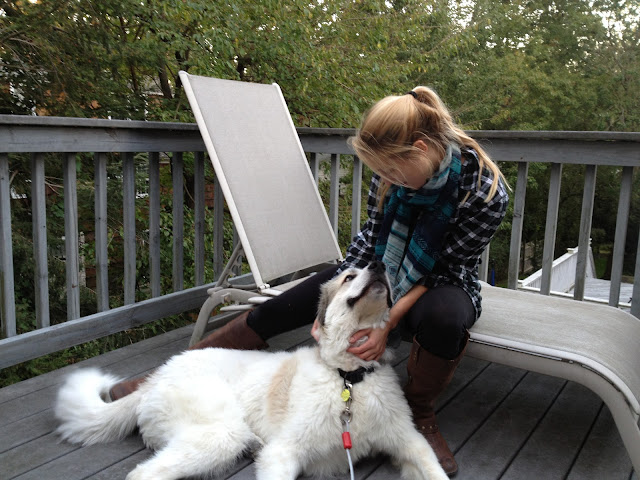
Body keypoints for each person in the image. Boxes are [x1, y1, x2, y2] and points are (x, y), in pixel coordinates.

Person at [110, 86, 509, 476]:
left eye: (391, 170)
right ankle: (159, 379)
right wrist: (330, 301)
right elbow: (370, 241)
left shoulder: (485, 192)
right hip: (379, 266)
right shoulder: (392, 177)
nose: (386, 178)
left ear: (420, 150)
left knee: (445, 318)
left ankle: (419, 412)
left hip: (442, 280)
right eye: (380, 172)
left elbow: (444, 267)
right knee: (288, 303)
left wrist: (386, 324)